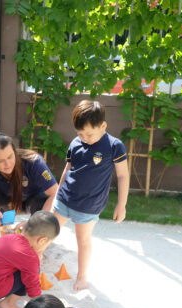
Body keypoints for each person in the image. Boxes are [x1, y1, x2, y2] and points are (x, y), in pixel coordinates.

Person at [53, 100, 129, 290]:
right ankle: (33, 260)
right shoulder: (75, 143)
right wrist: (57, 192)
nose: (84, 138)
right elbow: (68, 169)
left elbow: (122, 175)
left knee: (83, 241)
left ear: (103, 126)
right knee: (48, 230)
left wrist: (121, 205)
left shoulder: (114, 146)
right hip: (64, 199)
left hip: (89, 205)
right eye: (80, 134)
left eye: (89, 134)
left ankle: (81, 276)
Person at [0, 132, 59, 228]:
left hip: (34, 201)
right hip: (4, 205)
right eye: (0, 161)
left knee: (43, 204)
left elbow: (55, 193)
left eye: (10, 157)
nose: (8, 164)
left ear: (14, 151)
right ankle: (5, 229)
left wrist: (37, 222)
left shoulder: (34, 162)